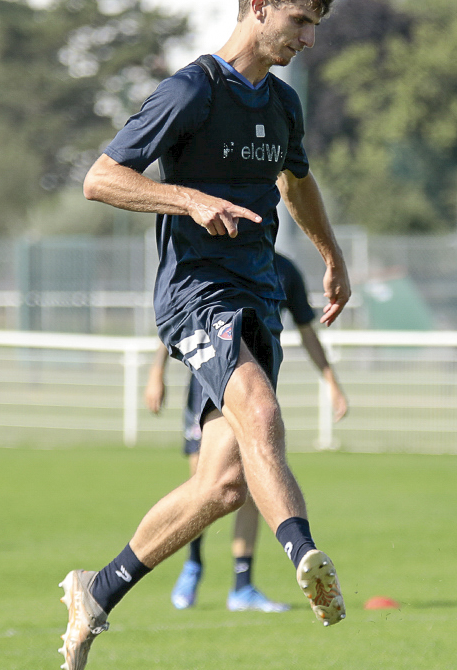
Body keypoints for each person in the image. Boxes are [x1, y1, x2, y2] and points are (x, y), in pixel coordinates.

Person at [56, 0, 350, 670]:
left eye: (314, 25)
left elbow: (297, 180)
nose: (308, 38)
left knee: (222, 486)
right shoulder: (191, 90)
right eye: (300, 22)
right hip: (197, 291)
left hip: (258, 294)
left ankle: (98, 588)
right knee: (263, 412)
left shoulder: (282, 103)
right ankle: (302, 553)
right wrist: (188, 198)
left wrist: (332, 254)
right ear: (258, 8)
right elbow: (100, 177)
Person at [146, 249, 349, 612]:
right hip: (206, 383)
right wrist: (155, 372)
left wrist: (331, 381)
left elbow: (307, 332)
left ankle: (242, 584)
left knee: (255, 479)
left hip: (255, 390)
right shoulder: (215, 256)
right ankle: (193, 564)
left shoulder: (285, 271)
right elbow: (178, 311)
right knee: (203, 483)